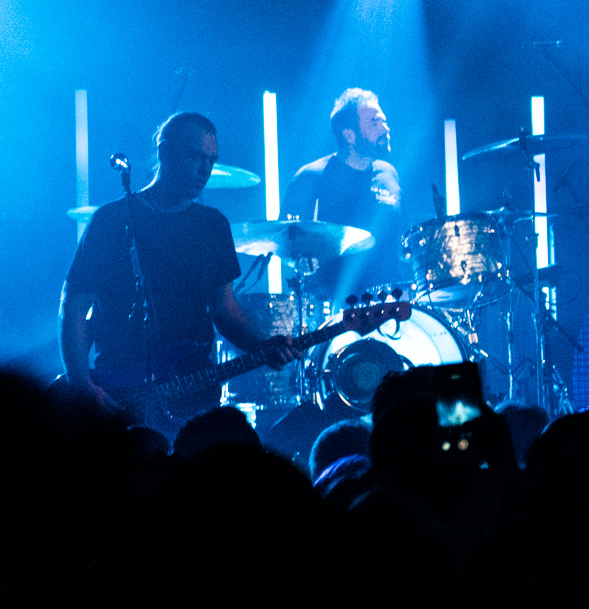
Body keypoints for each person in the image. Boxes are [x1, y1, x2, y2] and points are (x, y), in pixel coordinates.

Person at [61, 112, 294, 429]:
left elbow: (223, 307)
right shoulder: (112, 220)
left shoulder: (212, 225)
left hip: (194, 390)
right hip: (121, 390)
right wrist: (80, 382)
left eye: (211, 160)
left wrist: (262, 346)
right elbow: (75, 304)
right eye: (195, 157)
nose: (205, 170)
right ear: (164, 152)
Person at [285, 88, 406, 300]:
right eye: (375, 123)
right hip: (332, 307)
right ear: (349, 135)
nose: (385, 128)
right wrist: (300, 260)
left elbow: (402, 241)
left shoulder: (389, 173)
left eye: (384, 121)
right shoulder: (311, 177)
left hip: (387, 303)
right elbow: (284, 240)